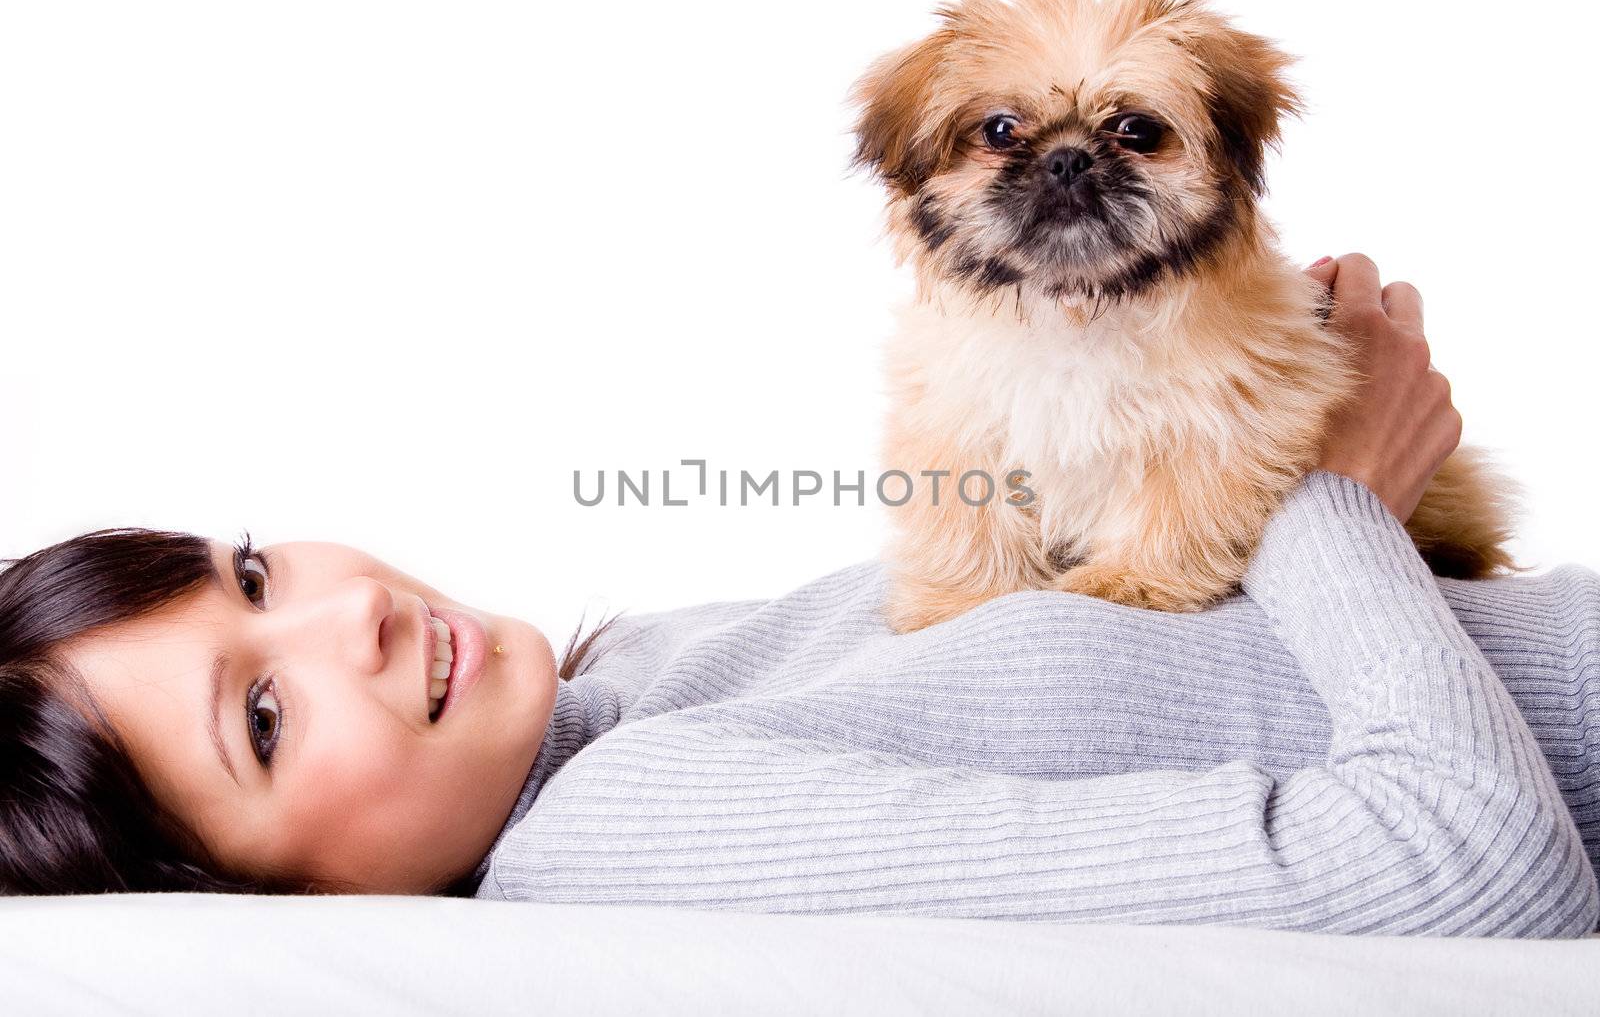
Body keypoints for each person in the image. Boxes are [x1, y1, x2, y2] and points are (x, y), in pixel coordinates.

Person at [2, 255, 1596, 937]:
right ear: (253, 912)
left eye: (257, 574)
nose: (342, 615)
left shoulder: (634, 691)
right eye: (262, 718)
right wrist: (1329, 489)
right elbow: (1468, 878)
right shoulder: (622, 829)